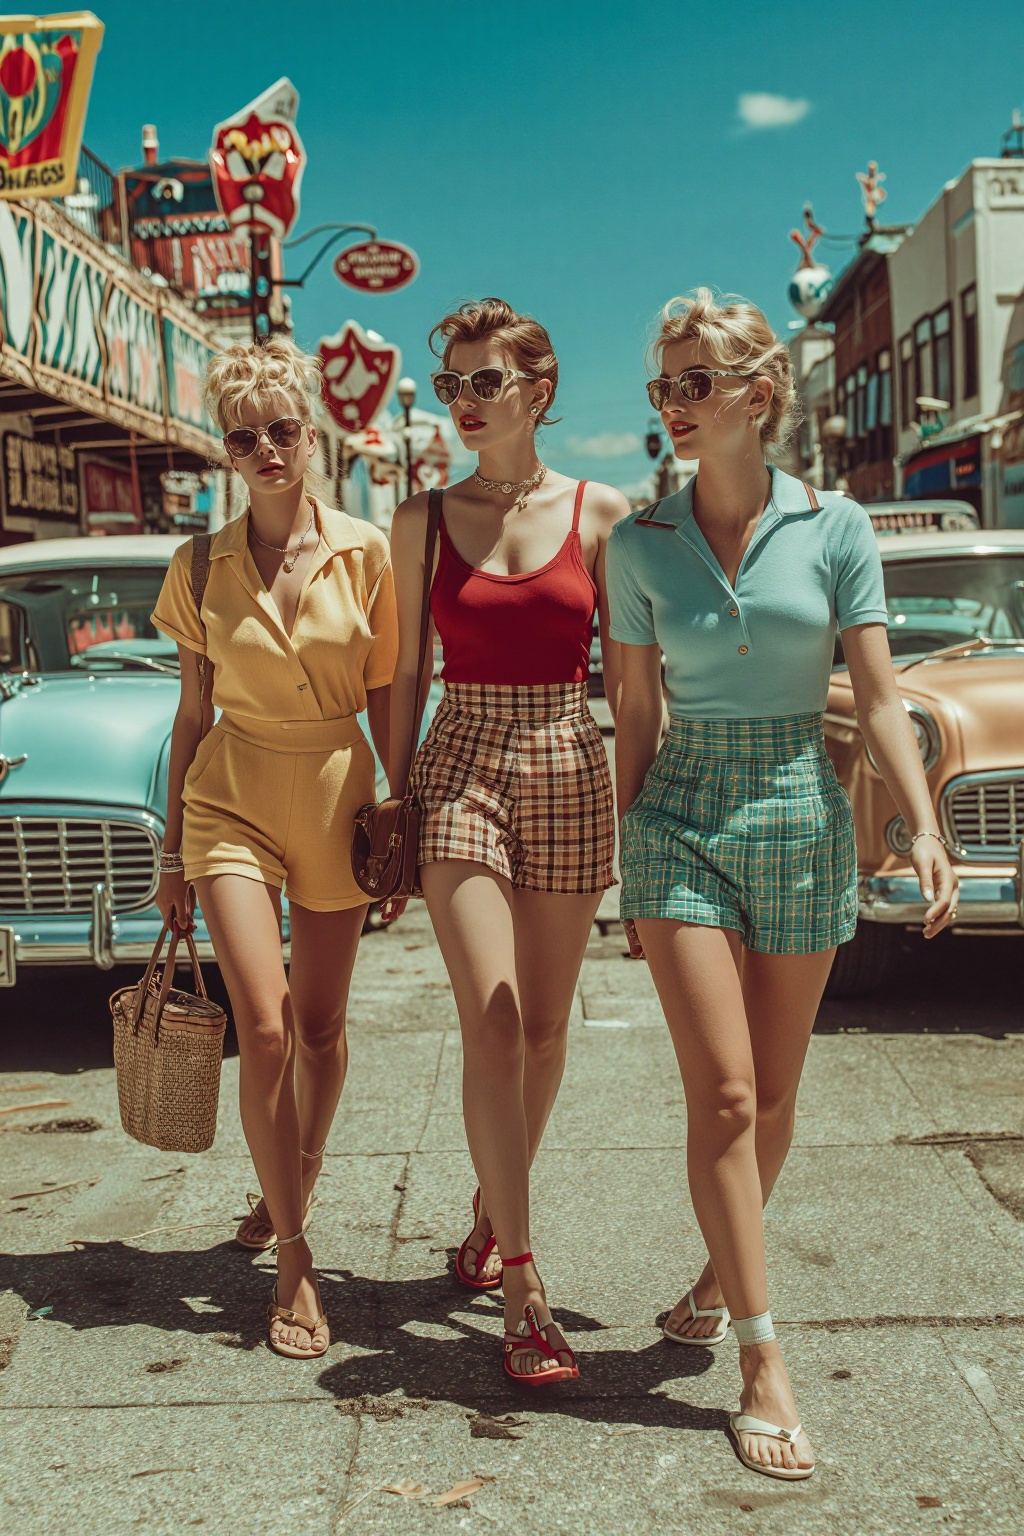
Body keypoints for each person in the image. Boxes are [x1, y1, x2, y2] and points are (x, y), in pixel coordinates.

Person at [607, 289, 957, 1476]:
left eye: (695, 382)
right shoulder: (637, 545)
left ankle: (717, 1277)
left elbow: (883, 695)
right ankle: (763, 1362)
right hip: (680, 819)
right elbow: (635, 716)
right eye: (663, 385)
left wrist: (921, 825)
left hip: (803, 811)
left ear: (759, 394)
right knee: (723, 1097)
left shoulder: (836, 527)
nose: (673, 404)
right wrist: (630, 866)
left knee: (774, 1094)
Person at [384, 298, 628, 1383]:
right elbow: (406, 673)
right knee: (495, 1018)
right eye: (453, 385)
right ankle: (523, 1287)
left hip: (569, 756)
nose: (466, 402)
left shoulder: (602, 512)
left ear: (540, 388)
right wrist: (396, 800)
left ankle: (493, 1206)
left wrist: (643, 800)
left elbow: (632, 681)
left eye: (486, 381)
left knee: (546, 1028)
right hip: (461, 762)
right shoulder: (421, 519)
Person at [152, 338, 397, 1360]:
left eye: (281, 430)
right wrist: (172, 853)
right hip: (233, 800)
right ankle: (295, 1260)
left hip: (337, 792)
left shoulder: (366, 552)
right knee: (264, 1026)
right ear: (226, 450)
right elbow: (189, 716)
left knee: (322, 1026)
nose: (265, 450)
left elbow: (387, 696)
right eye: (242, 437)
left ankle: (293, 1171)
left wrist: (399, 815)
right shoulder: (196, 565)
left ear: (311, 435)